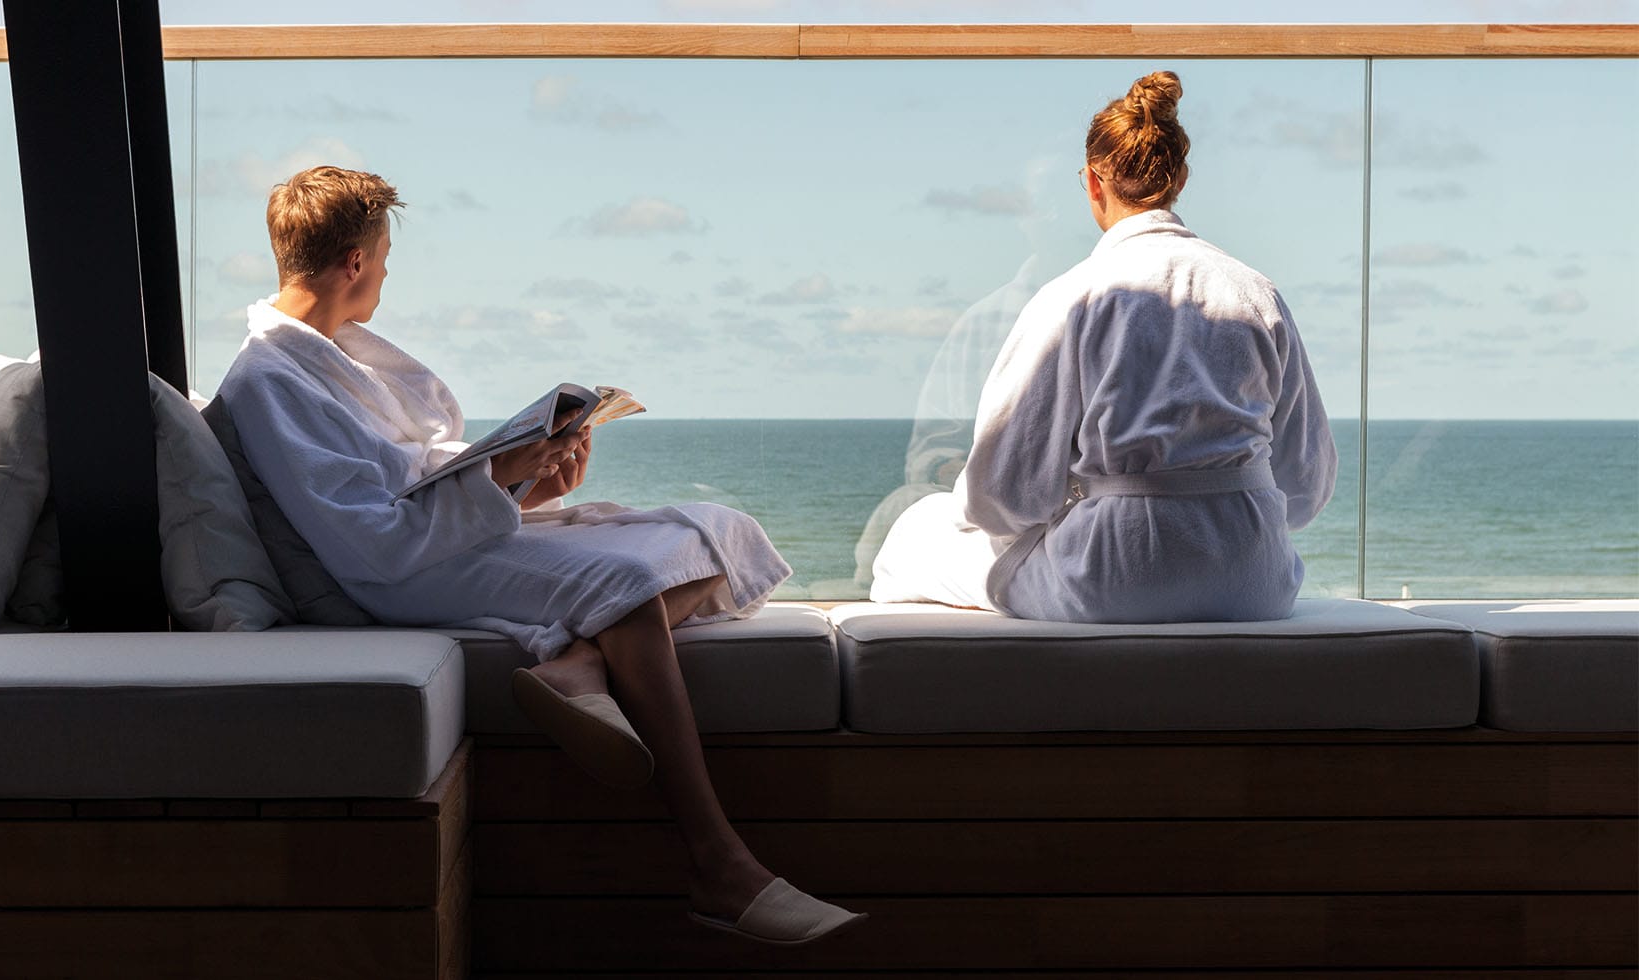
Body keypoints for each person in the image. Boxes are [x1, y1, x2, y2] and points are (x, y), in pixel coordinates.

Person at [212, 166, 863, 945]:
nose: (386, 273)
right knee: (625, 580)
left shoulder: (327, 357)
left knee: (713, 530)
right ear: (355, 261)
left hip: (443, 537)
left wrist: (528, 482)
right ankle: (719, 862)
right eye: (383, 257)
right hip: (401, 577)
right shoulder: (268, 380)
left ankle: (578, 663)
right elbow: (370, 541)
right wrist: (500, 475)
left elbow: (412, 480)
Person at [871, 71, 1336, 623]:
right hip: (1255, 581)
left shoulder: (1072, 298)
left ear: (1093, 183)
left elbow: (1003, 495)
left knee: (916, 531)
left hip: (1117, 575)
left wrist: (1083, 497)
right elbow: (1304, 485)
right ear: (1181, 177)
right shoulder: (1257, 294)